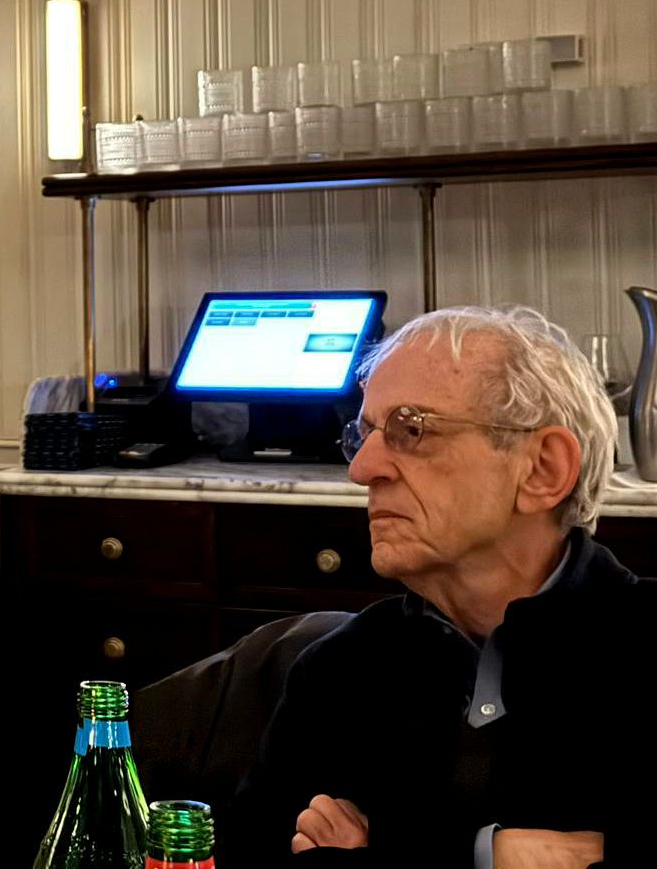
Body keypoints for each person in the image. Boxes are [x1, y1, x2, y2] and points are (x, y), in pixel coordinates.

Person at [226, 305, 654, 869]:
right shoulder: (339, 672)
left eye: (411, 429)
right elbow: (250, 852)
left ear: (543, 469)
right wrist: (492, 854)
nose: (362, 469)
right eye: (363, 434)